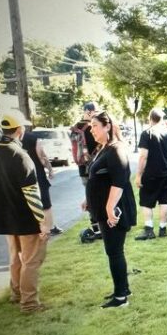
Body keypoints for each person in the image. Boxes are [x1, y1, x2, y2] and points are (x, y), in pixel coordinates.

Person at [0, 111, 50, 314]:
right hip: (25, 219)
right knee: (31, 261)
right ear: (19, 130)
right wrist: (42, 222)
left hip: (4, 218)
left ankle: (16, 294)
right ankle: (29, 304)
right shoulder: (21, 156)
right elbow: (32, 193)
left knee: (14, 258)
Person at [82, 111, 137, 308]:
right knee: (113, 251)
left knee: (114, 252)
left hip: (114, 211)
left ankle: (121, 298)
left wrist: (109, 207)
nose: (91, 129)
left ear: (107, 126)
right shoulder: (103, 148)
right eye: (90, 126)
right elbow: (99, 178)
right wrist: (87, 199)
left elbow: (119, 180)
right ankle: (123, 288)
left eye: (95, 125)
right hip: (104, 209)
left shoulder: (116, 149)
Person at [135, 108, 167, 240]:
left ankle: (149, 230)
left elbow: (143, 156)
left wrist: (138, 175)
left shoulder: (146, 134)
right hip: (165, 173)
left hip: (150, 174)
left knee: (147, 202)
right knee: (164, 201)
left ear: (150, 118)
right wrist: (164, 159)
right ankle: (163, 229)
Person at [22, 127, 63, 236]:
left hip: (20, 176)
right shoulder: (33, 138)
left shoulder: (10, 141)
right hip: (36, 174)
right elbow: (42, 156)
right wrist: (50, 170)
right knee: (45, 203)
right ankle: (50, 228)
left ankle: (33, 228)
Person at [71, 101, 101, 240]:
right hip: (97, 167)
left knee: (89, 196)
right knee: (101, 196)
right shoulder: (94, 126)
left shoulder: (75, 127)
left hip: (83, 168)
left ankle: (95, 227)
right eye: (94, 111)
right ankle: (102, 226)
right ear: (90, 111)